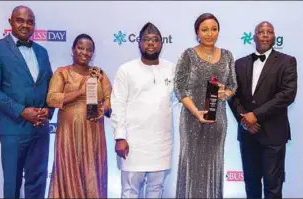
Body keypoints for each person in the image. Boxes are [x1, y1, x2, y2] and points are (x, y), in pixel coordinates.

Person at [0, 5, 54, 198]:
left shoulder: (42, 52)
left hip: (40, 128)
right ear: (10, 22)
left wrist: (48, 109)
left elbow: (50, 85)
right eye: (20, 20)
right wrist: (21, 110)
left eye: (30, 22)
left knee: (37, 182)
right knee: (12, 183)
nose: (25, 25)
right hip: (13, 127)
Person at [228, 21, 297, 199]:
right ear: (254, 36)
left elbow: (287, 95)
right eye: (261, 31)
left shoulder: (287, 61)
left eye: (269, 31)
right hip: (247, 133)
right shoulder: (239, 63)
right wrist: (244, 120)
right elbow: (232, 94)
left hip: (273, 134)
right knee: (250, 183)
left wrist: (255, 115)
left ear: (274, 37)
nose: (265, 34)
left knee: (273, 185)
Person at [174, 13, 237, 198]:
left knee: (214, 165)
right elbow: (179, 88)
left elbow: (233, 85)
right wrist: (195, 112)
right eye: (205, 29)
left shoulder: (227, 55)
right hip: (192, 120)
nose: (210, 33)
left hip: (217, 120)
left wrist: (226, 93)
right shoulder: (188, 55)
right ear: (197, 32)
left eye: (214, 29)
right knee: (192, 165)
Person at [111, 22, 175, 198]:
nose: (151, 43)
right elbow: (118, 104)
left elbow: (182, 96)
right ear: (139, 43)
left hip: (161, 143)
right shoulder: (126, 69)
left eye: (155, 40)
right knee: (130, 190)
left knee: (156, 189)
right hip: (133, 143)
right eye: (146, 39)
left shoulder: (171, 68)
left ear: (162, 44)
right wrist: (120, 137)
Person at [46, 33, 112, 198]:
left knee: (92, 169)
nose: (84, 52)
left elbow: (110, 98)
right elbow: (52, 98)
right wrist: (80, 92)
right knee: (69, 168)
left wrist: (103, 109)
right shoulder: (62, 73)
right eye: (80, 48)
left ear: (93, 54)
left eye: (89, 50)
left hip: (93, 131)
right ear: (73, 50)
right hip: (69, 134)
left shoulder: (99, 74)